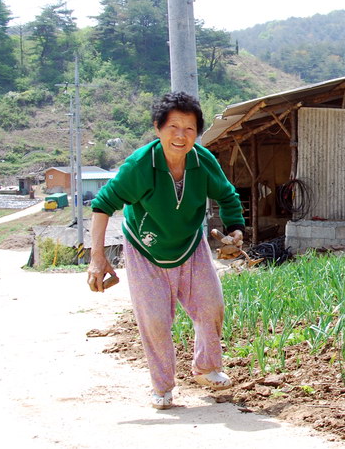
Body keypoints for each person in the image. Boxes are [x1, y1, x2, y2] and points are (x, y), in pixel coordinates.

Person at [86, 92, 246, 410]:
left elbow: (227, 195)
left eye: (189, 128)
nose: (181, 135)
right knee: (156, 320)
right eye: (173, 126)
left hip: (190, 242)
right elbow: (102, 205)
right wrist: (97, 257)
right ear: (158, 128)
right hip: (146, 247)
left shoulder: (202, 161)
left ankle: (206, 368)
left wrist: (235, 230)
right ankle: (162, 387)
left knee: (211, 306)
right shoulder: (140, 166)